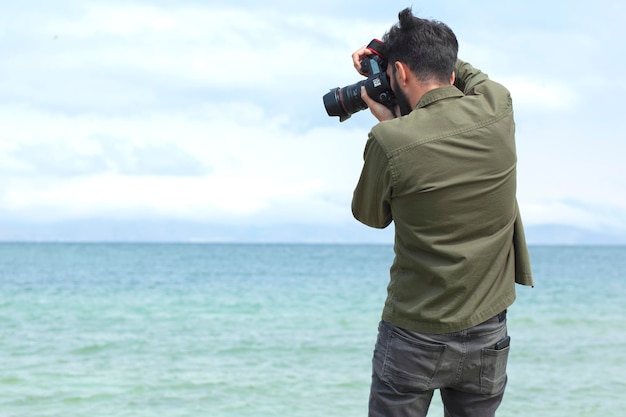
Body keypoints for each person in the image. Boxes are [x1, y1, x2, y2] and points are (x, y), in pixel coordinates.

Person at [350, 8, 534, 417]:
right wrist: (388, 51)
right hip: (489, 333)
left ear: (399, 74)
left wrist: (386, 126)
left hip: (413, 336)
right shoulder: (498, 105)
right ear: (451, 71)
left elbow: (370, 215)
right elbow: (463, 74)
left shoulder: (390, 140)